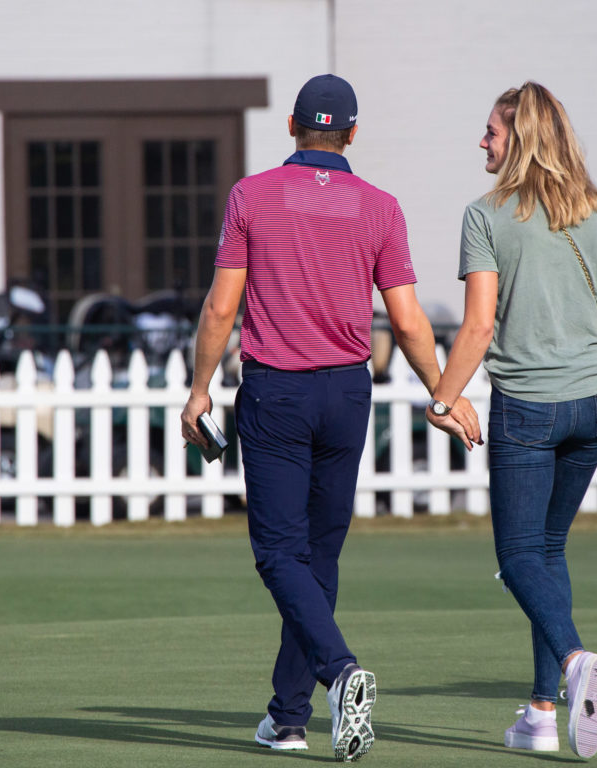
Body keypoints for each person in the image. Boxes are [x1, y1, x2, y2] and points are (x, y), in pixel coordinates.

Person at [180, 74, 480, 762]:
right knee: (318, 555)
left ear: (291, 126)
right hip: (346, 395)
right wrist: (442, 390)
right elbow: (406, 322)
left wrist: (200, 391)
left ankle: (341, 673)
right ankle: (288, 718)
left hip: (276, 392)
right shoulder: (380, 207)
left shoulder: (250, 195)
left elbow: (222, 308)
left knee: (279, 554)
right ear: (350, 134)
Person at [425, 82, 597, 759]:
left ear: (520, 138)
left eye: (490, 131)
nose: (481, 141)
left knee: (517, 558)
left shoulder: (484, 216)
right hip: (594, 405)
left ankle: (571, 664)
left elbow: (479, 326)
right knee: (548, 552)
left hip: (527, 410)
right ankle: (541, 714)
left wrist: (442, 399)